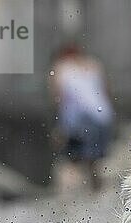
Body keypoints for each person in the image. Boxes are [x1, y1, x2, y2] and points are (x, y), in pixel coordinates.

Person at [49, 44, 114, 192]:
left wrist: (59, 127)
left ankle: (70, 200)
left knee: (72, 159)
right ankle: (97, 194)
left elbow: (58, 97)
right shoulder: (94, 64)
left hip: (78, 119)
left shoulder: (60, 67)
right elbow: (106, 92)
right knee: (95, 160)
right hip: (103, 117)